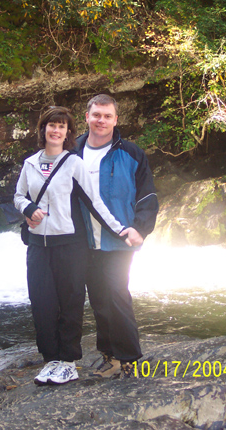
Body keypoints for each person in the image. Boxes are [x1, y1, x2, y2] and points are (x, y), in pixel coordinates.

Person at [14, 106, 139, 386]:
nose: (56, 130)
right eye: (51, 125)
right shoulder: (30, 163)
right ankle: (51, 360)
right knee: (42, 304)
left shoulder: (74, 164)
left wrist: (121, 230)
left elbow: (95, 203)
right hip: (38, 246)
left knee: (70, 302)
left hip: (70, 245)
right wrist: (28, 207)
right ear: (43, 129)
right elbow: (19, 195)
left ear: (68, 133)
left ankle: (68, 362)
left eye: (62, 126)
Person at [74, 94, 159, 379]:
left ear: (115, 120)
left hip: (118, 240)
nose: (101, 120)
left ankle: (129, 359)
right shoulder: (70, 152)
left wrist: (140, 227)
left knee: (117, 294)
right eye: (96, 114)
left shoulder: (132, 153)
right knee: (98, 299)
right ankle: (108, 357)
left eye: (107, 116)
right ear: (86, 116)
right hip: (82, 241)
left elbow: (147, 195)